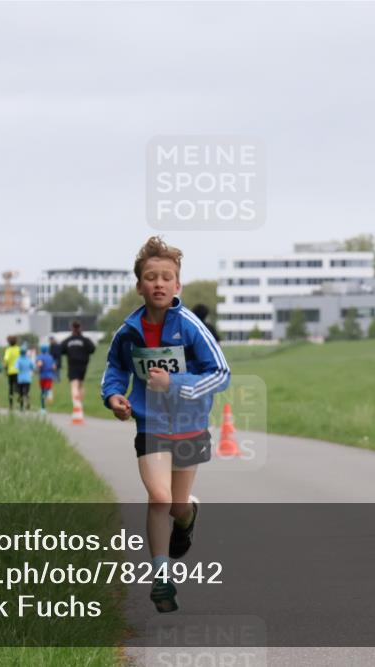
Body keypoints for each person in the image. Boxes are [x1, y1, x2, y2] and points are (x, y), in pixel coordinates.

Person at [101, 237, 230, 613]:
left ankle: (188, 516)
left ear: (177, 286)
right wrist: (113, 397)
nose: (158, 283)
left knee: (176, 505)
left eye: (166, 277)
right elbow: (115, 369)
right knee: (158, 498)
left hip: (189, 424)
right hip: (151, 423)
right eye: (150, 277)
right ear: (139, 285)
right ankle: (161, 579)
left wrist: (173, 383)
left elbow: (220, 373)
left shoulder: (190, 326)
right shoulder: (128, 331)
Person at [60, 320, 96, 420]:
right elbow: (92, 349)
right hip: (83, 366)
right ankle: (80, 405)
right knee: (80, 385)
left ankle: (77, 406)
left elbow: (61, 349)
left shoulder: (68, 340)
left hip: (72, 365)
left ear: (72, 328)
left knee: (74, 385)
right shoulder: (85, 340)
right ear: (80, 328)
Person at [36, 343, 57, 414]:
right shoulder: (51, 357)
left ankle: (43, 408)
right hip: (50, 376)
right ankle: (49, 394)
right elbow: (54, 367)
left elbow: (39, 364)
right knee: (47, 389)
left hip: (43, 376)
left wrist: (38, 368)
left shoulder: (40, 357)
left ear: (41, 350)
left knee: (42, 392)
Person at [16, 342, 35, 411]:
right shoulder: (28, 359)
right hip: (28, 378)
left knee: (20, 393)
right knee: (26, 392)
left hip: (20, 378)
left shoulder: (18, 359)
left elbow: (16, 367)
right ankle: (28, 402)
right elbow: (33, 367)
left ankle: (21, 407)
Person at [3, 336, 21, 410]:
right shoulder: (19, 349)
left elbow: (6, 360)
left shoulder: (8, 350)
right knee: (18, 386)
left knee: (10, 388)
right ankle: (20, 398)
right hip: (18, 371)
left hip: (10, 371)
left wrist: (5, 367)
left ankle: (11, 404)